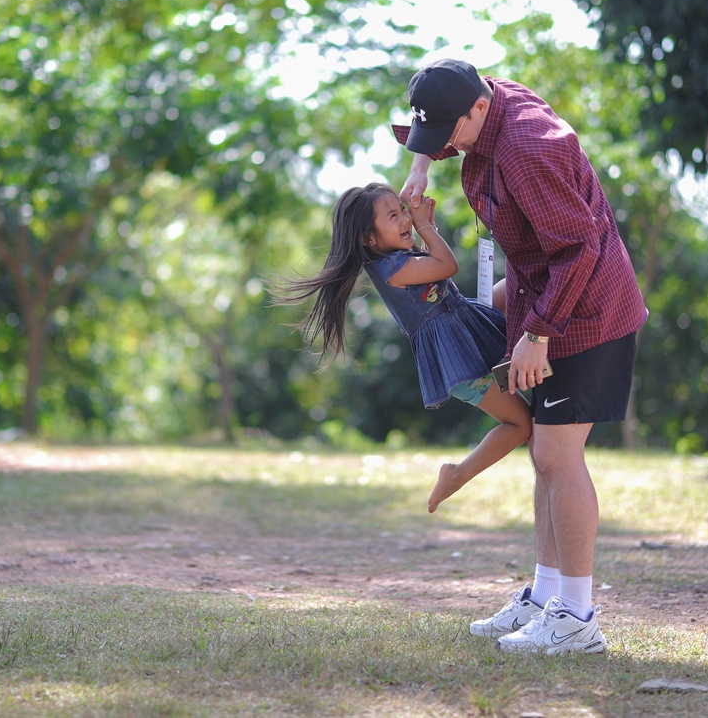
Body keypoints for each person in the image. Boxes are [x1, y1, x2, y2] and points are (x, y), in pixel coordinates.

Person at [394, 58, 648, 656]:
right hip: (544, 300)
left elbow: (580, 247)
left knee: (557, 454)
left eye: (447, 134)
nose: (444, 146)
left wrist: (538, 334)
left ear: (479, 109)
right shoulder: (483, 102)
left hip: (585, 314)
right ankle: (547, 594)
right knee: (544, 457)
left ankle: (579, 618)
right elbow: (447, 115)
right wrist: (420, 162)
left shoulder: (529, 149)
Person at [272, 182, 533, 513]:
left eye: (402, 211)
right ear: (370, 238)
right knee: (521, 424)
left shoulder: (398, 257)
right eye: (393, 216)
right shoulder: (390, 269)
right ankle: (457, 474)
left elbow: (436, 268)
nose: (405, 219)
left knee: (517, 287)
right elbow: (447, 266)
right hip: (461, 360)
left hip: (467, 323)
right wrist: (425, 226)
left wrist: (427, 226)